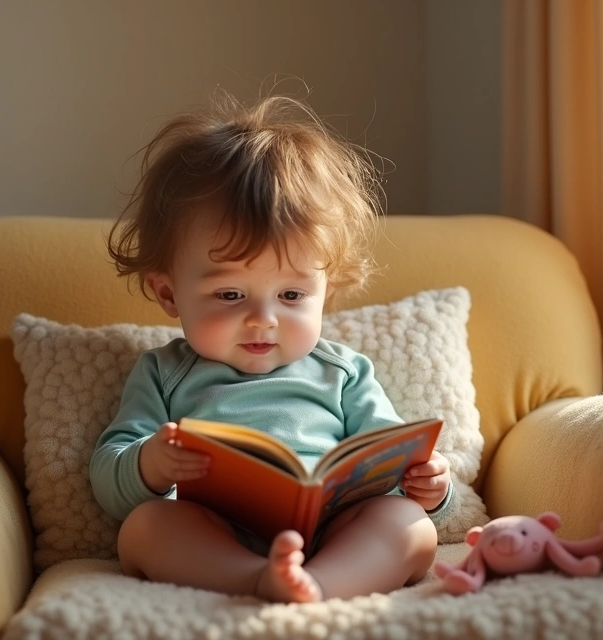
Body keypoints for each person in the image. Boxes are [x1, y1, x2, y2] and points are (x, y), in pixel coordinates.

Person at [90, 91, 452, 604]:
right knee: (145, 528)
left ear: (327, 290)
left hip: (334, 532)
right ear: (169, 293)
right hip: (215, 532)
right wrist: (151, 463)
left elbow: (389, 456)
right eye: (230, 294)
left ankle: (322, 585)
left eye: (291, 295)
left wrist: (428, 485)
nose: (263, 319)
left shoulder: (343, 372)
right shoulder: (164, 372)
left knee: (410, 525)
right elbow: (108, 477)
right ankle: (255, 579)